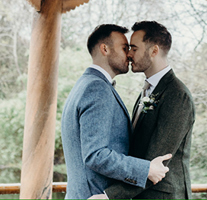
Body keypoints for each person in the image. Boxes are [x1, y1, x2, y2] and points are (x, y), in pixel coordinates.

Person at [61, 24, 172, 200]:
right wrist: (146, 169)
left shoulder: (85, 84)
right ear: (105, 49)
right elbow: (95, 155)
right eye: (124, 48)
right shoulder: (97, 88)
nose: (129, 54)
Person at [102, 21, 196, 199]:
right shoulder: (148, 90)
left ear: (154, 51)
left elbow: (157, 161)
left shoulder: (177, 95)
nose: (129, 54)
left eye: (134, 48)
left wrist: (109, 196)